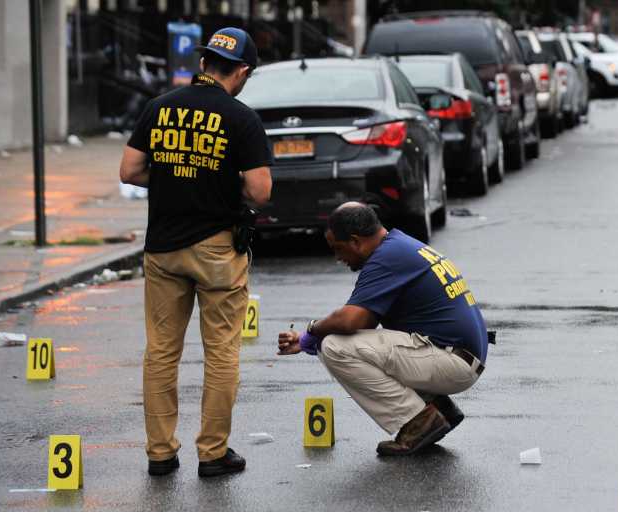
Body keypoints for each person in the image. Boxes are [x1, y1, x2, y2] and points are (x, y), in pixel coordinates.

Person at [119, 27, 273, 477]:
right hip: (216, 249)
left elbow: (130, 171)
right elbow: (260, 192)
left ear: (204, 63)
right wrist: (219, 181)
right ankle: (212, 452)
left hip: (163, 249)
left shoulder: (159, 107)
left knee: (161, 352)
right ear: (241, 72)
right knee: (221, 351)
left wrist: (173, 177)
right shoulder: (241, 118)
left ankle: (160, 453)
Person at [277, 203, 488, 456]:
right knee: (345, 341)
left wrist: (312, 330)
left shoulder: (387, 258)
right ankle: (440, 408)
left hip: (453, 362)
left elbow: (350, 321)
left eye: (338, 248)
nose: (337, 258)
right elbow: (364, 322)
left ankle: (418, 423)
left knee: (334, 346)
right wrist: (307, 340)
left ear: (355, 241)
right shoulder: (399, 245)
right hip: (459, 357)